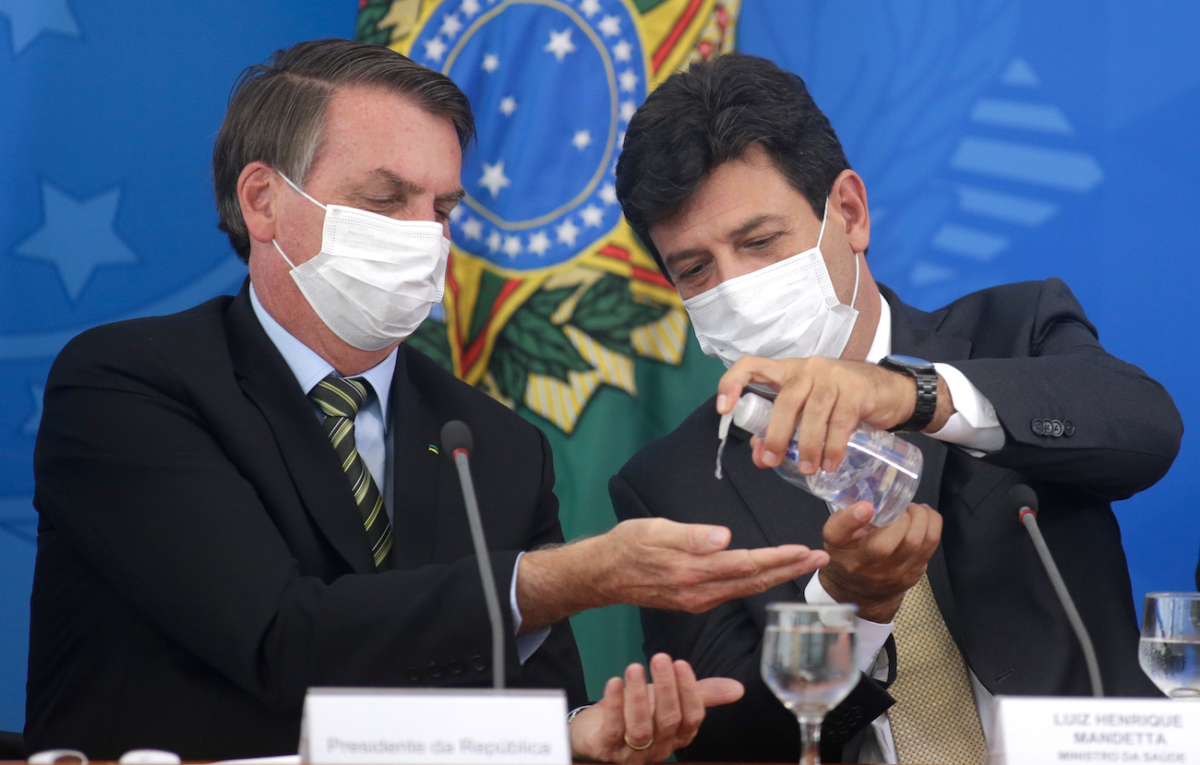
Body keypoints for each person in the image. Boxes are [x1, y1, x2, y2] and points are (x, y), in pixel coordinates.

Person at [25, 40, 830, 762]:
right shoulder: (129, 385)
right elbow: (284, 638)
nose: (426, 235)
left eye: (442, 208)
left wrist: (579, 737)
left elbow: (532, 713)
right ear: (264, 200)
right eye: (386, 200)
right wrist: (565, 577)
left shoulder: (497, 445)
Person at [611, 53, 1183, 764]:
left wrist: (912, 392)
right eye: (694, 269)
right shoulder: (675, 483)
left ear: (848, 213)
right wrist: (851, 604)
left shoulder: (1015, 330)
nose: (734, 286)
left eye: (759, 242)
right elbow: (733, 740)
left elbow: (1147, 429)